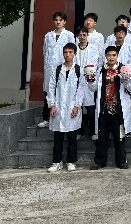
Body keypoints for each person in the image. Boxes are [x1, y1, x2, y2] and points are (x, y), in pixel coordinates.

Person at [88, 46, 131, 170]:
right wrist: (90, 80)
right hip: (104, 109)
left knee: (120, 136)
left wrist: (126, 79)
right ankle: (99, 161)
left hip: (118, 110)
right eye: (109, 55)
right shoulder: (100, 70)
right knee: (101, 137)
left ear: (117, 56)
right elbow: (93, 88)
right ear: (105, 56)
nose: (111, 57)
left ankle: (121, 161)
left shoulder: (123, 69)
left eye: (114, 55)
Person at [46, 43, 85, 172]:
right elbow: (51, 88)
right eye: (65, 52)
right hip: (58, 107)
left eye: (70, 52)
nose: (68, 55)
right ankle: (56, 162)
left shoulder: (79, 70)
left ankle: (71, 161)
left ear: (75, 54)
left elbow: (81, 90)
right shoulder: (57, 70)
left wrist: (77, 106)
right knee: (58, 137)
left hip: (72, 107)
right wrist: (52, 105)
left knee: (72, 136)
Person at [39, 12, 75, 128]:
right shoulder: (48, 36)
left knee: (62, 91)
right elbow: (45, 52)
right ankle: (46, 118)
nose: (58, 22)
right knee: (49, 91)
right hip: (50, 68)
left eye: (60, 20)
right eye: (56, 20)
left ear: (65, 22)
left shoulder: (69, 35)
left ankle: (62, 117)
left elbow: (72, 51)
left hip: (63, 67)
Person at [74, 27, 101, 140]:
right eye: (80, 35)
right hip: (75, 80)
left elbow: (94, 64)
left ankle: (92, 131)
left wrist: (87, 73)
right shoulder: (74, 48)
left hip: (88, 79)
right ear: (77, 36)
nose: (82, 37)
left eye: (84, 35)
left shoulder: (93, 48)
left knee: (90, 107)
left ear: (87, 36)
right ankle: (79, 131)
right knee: (77, 106)